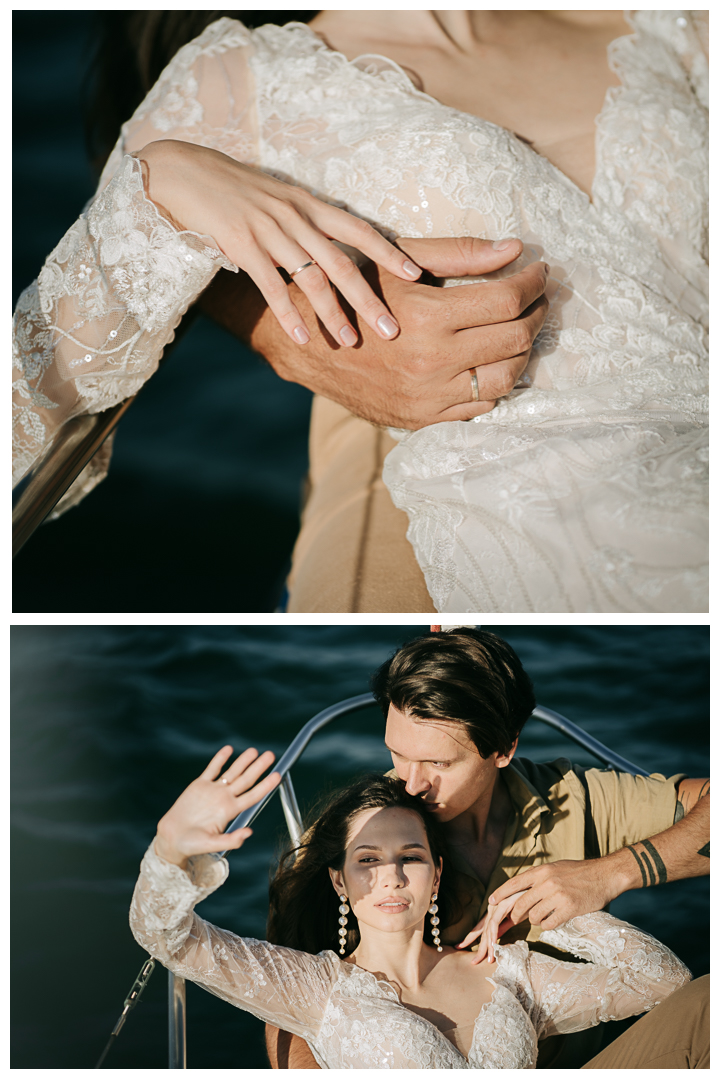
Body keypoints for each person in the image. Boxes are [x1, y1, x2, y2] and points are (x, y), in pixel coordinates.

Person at [13, 11, 708, 612]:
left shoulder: (660, 20)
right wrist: (161, 181)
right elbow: (30, 407)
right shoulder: (236, 79)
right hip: (580, 506)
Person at [269, 627, 709, 1067]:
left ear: (504, 748)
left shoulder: (575, 797)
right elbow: (287, 1006)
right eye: (398, 753)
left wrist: (609, 874)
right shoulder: (357, 839)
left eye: (439, 763)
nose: (410, 782)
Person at [131, 750, 702, 1069]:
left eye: (411, 856)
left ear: (436, 876)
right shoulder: (318, 987)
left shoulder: (506, 969)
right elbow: (170, 937)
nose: (392, 877)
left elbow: (666, 986)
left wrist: (557, 903)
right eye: (368, 860)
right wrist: (169, 848)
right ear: (339, 880)